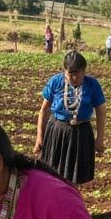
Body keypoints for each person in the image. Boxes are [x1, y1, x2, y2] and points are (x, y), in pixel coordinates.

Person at [34, 51, 106, 186]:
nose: (73, 78)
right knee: (53, 174)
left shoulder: (92, 85)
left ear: (84, 72)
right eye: (69, 74)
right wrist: (40, 137)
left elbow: (101, 111)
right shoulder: (55, 82)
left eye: (77, 75)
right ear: (64, 71)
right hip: (57, 132)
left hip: (81, 134)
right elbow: (44, 110)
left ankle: (71, 202)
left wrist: (100, 139)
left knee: (75, 175)